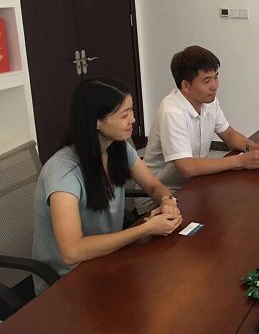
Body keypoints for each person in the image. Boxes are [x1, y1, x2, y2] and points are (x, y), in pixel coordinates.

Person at [32, 78, 183, 294]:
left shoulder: (117, 147)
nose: (133, 119)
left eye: (131, 110)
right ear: (96, 122)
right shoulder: (63, 172)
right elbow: (72, 252)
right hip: (68, 281)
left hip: (108, 258)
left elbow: (153, 186)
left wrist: (167, 201)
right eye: (124, 114)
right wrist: (146, 228)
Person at [140, 46, 259, 210]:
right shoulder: (172, 111)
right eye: (207, 81)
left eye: (216, 77)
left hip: (194, 184)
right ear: (186, 86)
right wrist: (240, 161)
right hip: (161, 197)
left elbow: (229, 134)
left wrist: (250, 146)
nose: (214, 86)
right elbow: (187, 167)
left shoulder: (209, 101)